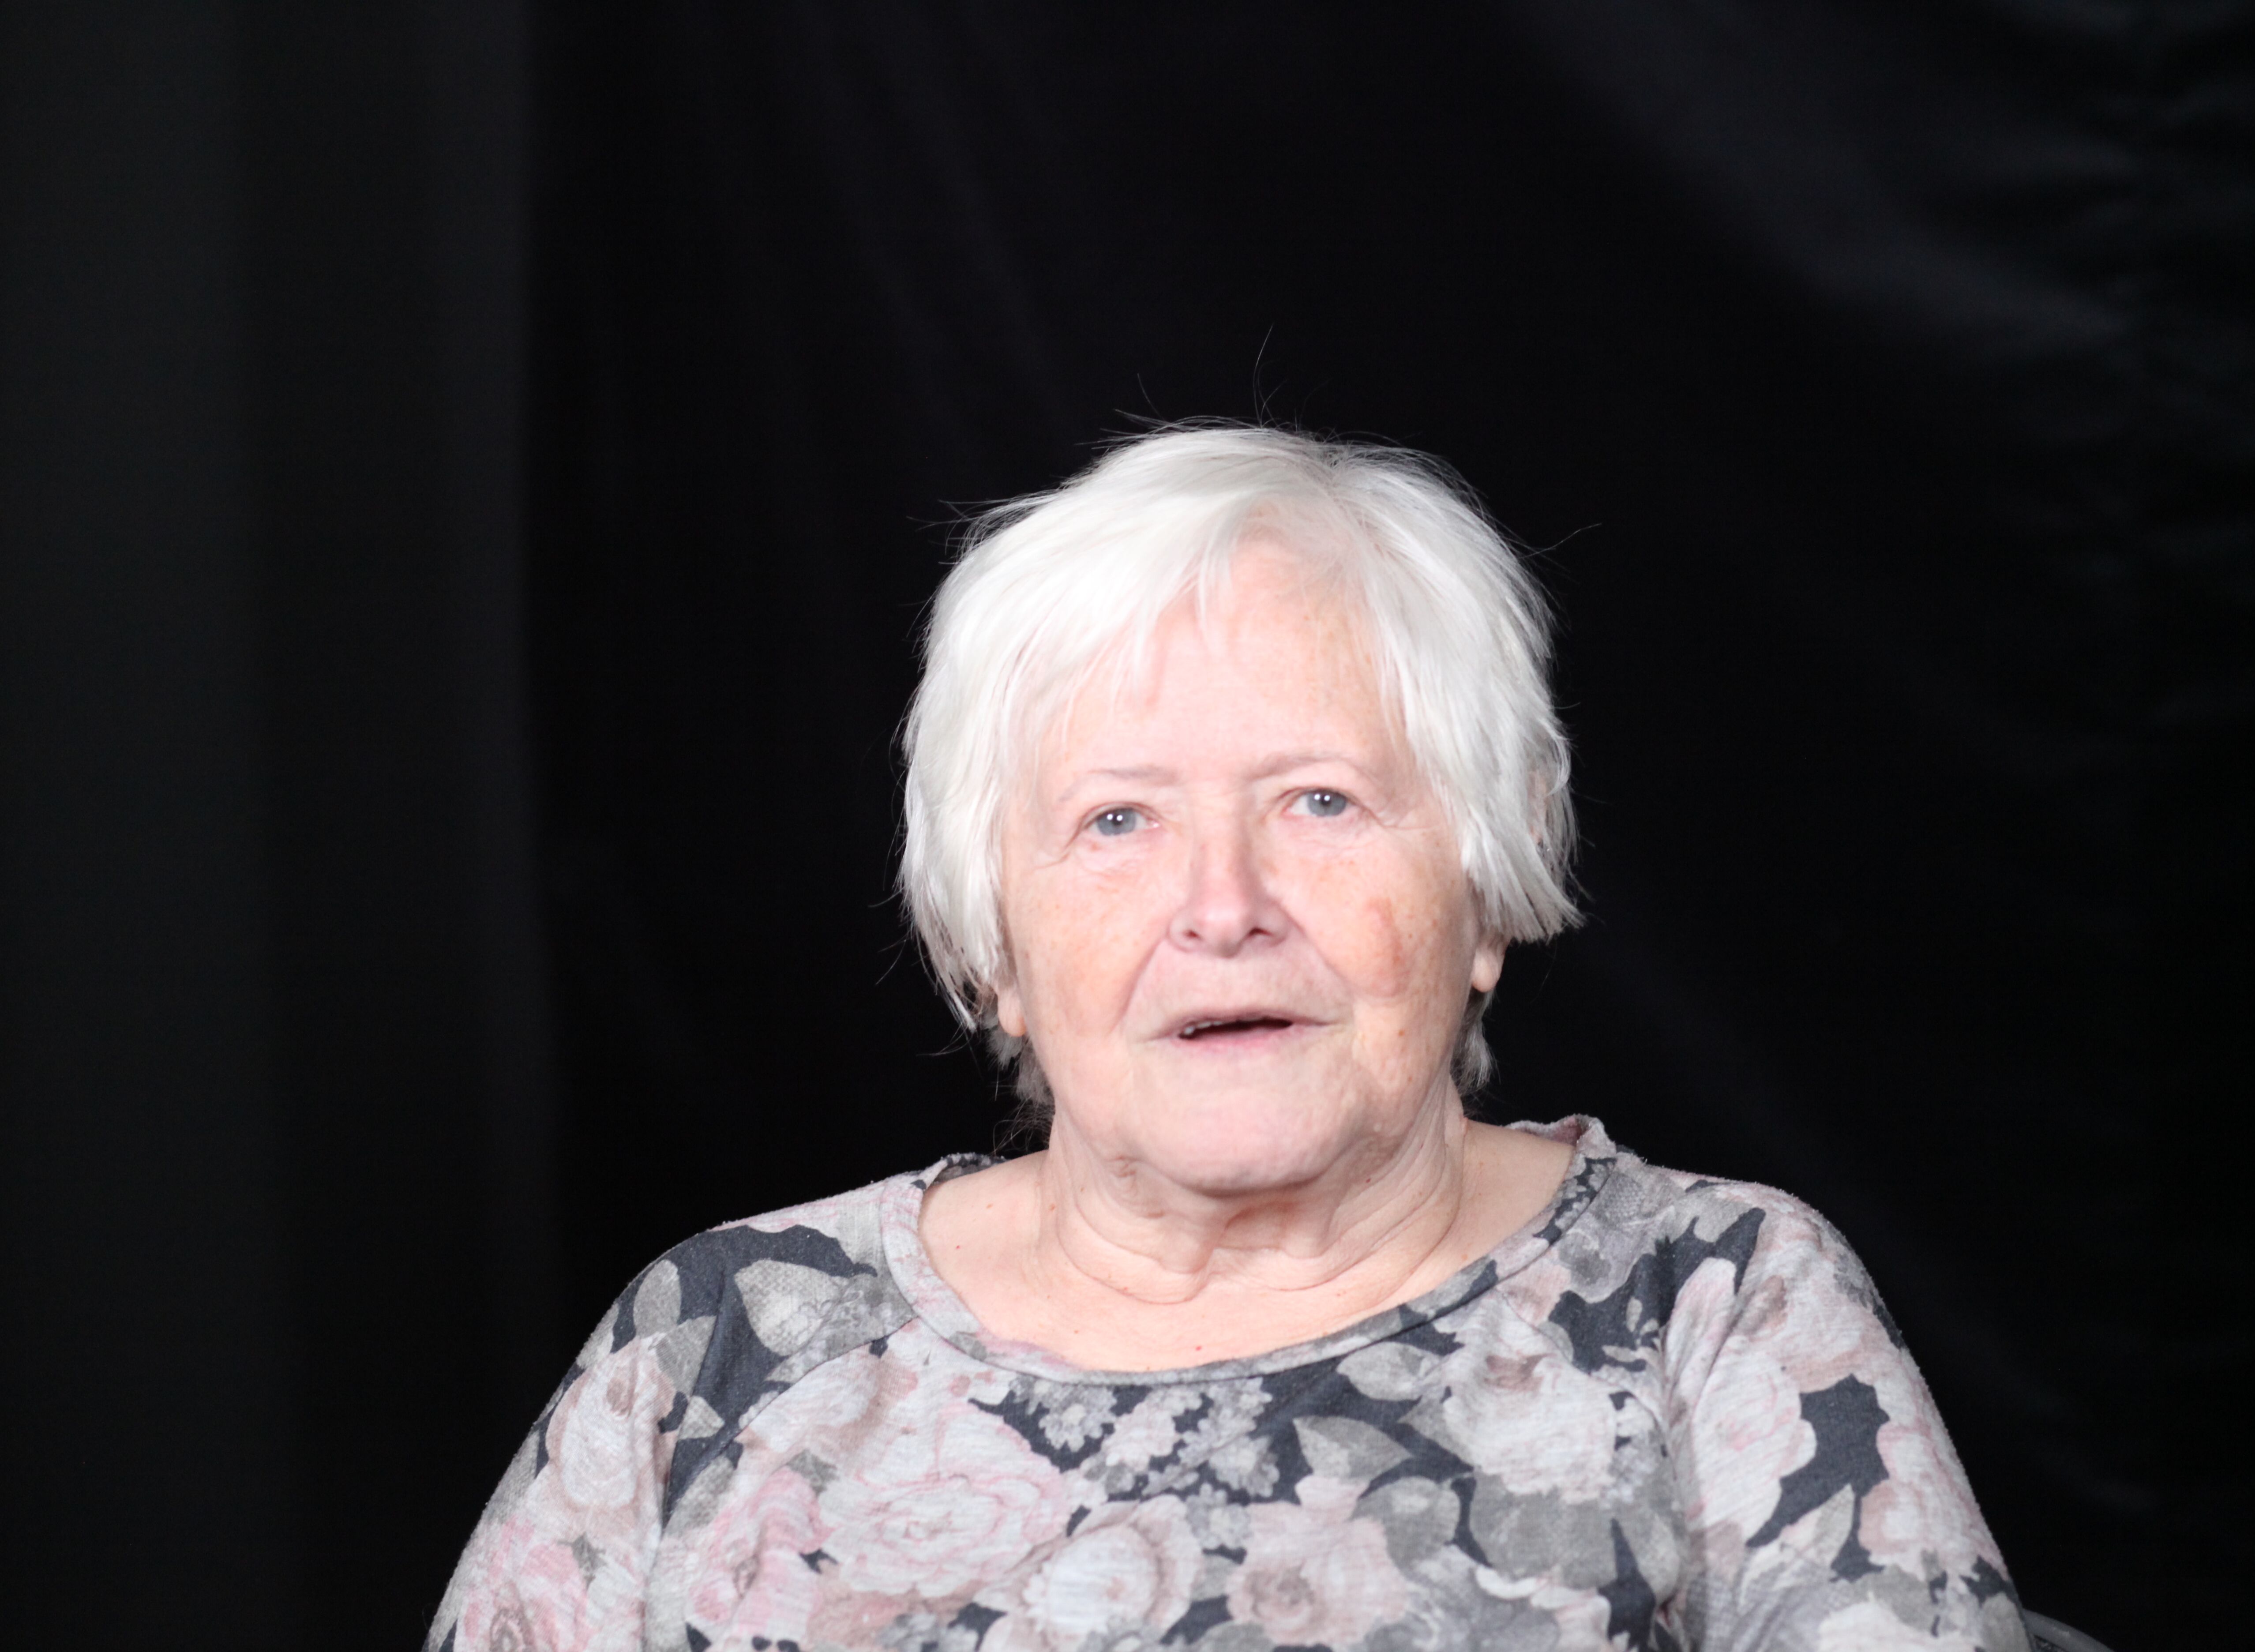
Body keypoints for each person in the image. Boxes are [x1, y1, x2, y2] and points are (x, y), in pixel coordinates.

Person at [429, 426, 2028, 1652]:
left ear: (1485, 892)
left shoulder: (1715, 1307)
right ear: (993, 947)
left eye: (1320, 802)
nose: (1224, 906)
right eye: (1118, 821)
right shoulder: (722, 1344)